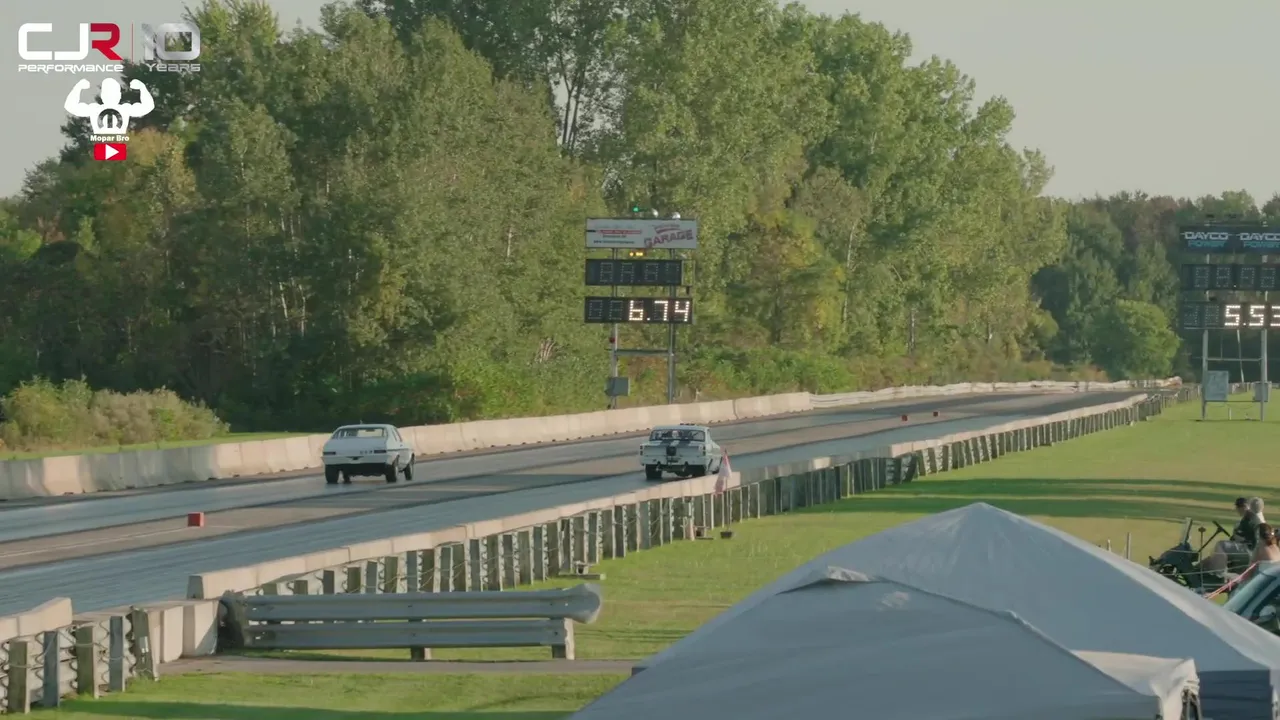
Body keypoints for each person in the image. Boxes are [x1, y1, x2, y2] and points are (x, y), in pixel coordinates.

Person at [1204, 497, 1262, 575]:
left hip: (1249, 549)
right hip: (1249, 547)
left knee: (1220, 544)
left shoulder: (1248, 519)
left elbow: (1240, 537)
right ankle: (1214, 570)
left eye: (1238, 508)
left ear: (1244, 507)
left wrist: (1234, 536)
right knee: (1215, 555)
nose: (1237, 510)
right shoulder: (1249, 517)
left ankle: (1220, 574)